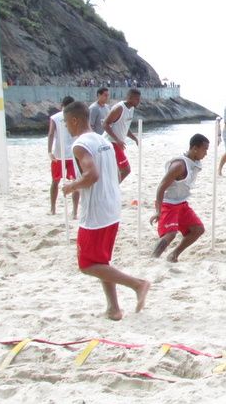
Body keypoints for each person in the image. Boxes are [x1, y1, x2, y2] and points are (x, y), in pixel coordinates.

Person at [61, 101, 150, 321]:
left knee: (87, 264)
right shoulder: (104, 140)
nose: (66, 127)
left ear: (74, 120)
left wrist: (71, 186)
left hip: (96, 212)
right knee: (101, 262)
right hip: (112, 207)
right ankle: (113, 308)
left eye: (66, 122)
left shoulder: (80, 145)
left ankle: (137, 284)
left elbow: (92, 175)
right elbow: (119, 171)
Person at [151, 134, 209, 262]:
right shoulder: (179, 166)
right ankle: (153, 258)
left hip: (182, 203)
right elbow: (161, 187)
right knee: (170, 234)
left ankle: (174, 255)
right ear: (195, 148)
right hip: (169, 204)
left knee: (198, 229)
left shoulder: (194, 162)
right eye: (204, 149)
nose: (206, 153)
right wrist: (158, 211)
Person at [48, 96, 79, 217]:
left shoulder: (55, 117)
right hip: (72, 154)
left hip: (59, 154)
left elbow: (51, 134)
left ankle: (53, 208)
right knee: (75, 182)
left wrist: (49, 151)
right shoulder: (76, 116)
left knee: (55, 181)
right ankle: (75, 211)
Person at [103, 88, 141, 183]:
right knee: (126, 169)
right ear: (130, 98)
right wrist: (117, 140)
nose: (139, 101)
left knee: (114, 170)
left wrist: (134, 138)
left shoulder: (131, 109)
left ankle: (111, 188)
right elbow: (105, 124)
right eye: (137, 99)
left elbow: (125, 126)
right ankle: (113, 188)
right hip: (111, 143)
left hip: (118, 143)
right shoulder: (119, 108)